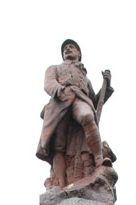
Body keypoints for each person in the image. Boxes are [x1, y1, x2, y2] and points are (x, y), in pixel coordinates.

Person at [37, 39, 114, 189]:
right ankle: (60, 183)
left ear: (79, 54)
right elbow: (49, 83)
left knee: (87, 117)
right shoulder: (54, 68)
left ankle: (99, 159)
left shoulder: (85, 78)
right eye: (65, 48)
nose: (68, 49)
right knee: (58, 146)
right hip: (60, 102)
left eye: (72, 47)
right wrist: (58, 90)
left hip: (80, 99)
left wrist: (107, 86)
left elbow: (95, 100)